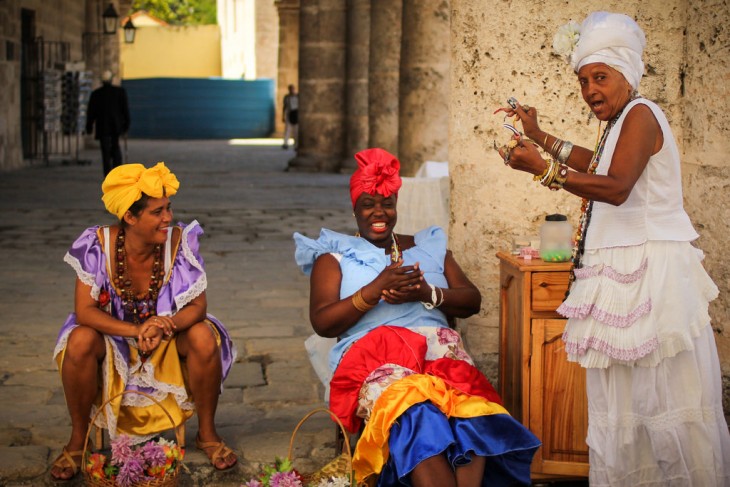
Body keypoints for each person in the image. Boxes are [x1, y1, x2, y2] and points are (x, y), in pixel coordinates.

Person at [495, 11, 730, 486]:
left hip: (651, 275)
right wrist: (540, 137)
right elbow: (599, 162)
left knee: (664, 401)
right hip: (626, 271)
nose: (590, 91)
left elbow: (617, 184)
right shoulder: (622, 118)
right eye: (583, 81)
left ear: (626, 73)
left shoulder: (642, 114)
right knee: (624, 407)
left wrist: (543, 171)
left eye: (600, 77)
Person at [294, 148, 540, 487]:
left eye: (387, 204)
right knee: (416, 412)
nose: (378, 212)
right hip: (374, 359)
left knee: (470, 412)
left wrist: (426, 293)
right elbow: (322, 322)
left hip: (439, 353)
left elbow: (471, 300)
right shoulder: (333, 256)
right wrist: (374, 290)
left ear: (397, 205)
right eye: (368, 204)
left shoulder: (427, 245)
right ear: (354, 208)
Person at [50, 162, 238, 481]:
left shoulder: (179, 242)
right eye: (157, 212)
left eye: (168, 208)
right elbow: (86, 311)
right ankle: (77, 440)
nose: (167, 218)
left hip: (166, 336)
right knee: (79, 339)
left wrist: (164, 325)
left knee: (204, 336)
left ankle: (207, 433)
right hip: (113, 338)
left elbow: (197, 307)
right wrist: (136, 330)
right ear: (130, 217)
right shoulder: (98, 245)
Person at [86, 70, 131, 176]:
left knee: (105, 151)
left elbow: (91, 112)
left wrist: (89, 126)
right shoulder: (120, 92)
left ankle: (108, 175)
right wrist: (126, 125)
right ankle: (118, 173)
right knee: (116, 147)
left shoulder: (96, 94)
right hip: (116, 126)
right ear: (112, 80)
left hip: (103, 127)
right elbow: (125, 110)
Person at [282, 84, 299, 150]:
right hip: (289, 114)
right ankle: (285, 143)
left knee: (296, 131)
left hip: (296, 114)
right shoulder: (287, 97)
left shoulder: (297, 96)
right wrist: (283, 116)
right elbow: (284, 107)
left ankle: (296, 145)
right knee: (287, 130)